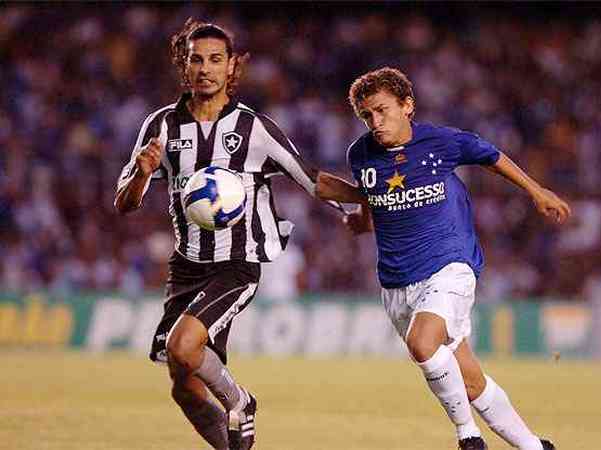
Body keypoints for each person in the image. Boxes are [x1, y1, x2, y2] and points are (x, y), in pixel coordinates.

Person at [114, 19, 361, 450]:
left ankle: (240, 401)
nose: (205, 68)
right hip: (186, 265)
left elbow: (313, 180)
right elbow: (123, 201)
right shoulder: (162, 127)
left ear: (232, 68)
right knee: (184, 386)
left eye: (215, 60)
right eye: (196, 59)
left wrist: (367, 199)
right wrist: (142, 173)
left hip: (237, 262)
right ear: (183, 65)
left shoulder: (254, 129)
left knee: (184, 347)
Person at [321, 67, 571, 450]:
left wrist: (537, 191)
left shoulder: (441, 142)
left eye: (382, 110)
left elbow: (492, 157)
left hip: (449, 265)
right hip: (396, 280)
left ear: (407, 106)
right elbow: (370, 191)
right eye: (366, 115)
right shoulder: (361, 153)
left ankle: (468, 437)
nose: (375, 121)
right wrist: (364, 221)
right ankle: (534, 447)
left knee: (422, 343)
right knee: (470, 381)